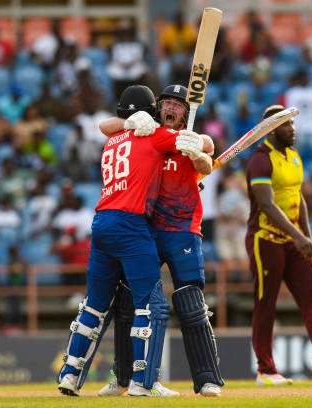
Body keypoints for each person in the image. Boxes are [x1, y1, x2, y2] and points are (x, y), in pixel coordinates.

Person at [57, 85, 204, 397]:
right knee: (150, 306)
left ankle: (69, 375)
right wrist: (202, 144)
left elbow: (105, 125)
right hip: (131, 224)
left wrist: (126, 123)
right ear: (151, 113)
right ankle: (144, 383)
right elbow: (189, 140)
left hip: (101, 223)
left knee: (94, 305)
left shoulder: (112, 140)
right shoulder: (152, 135)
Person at [96, 85, 223, 397]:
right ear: (157, 108)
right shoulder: (145, 132)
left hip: (182, 228)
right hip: (146, 228)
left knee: (191, 304)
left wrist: (199, 150)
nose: (171, 109)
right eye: (166, 103)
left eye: (178, 106)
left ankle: (207, 379)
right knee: (129, 303)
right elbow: (105, 127)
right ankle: (124, 377)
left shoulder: (188, 138)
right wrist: (129, 122)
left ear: (185, 113)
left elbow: (207, 161)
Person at [245, 104, 312, 386]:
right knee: (265, 304)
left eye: (292, 124)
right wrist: (299, 236)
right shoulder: (260, 159)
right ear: (270, 129)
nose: (292, 129)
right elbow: (267, 205)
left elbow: (298, 198)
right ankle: (265, 371)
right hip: (265, 240)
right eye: (286, 125)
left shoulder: (294, 157)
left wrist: (308, 238)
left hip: (294, 242)